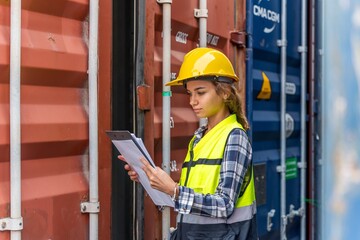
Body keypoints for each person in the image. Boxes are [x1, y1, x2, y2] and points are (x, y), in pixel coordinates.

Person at [119, 47, 258, 240]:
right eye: (189, 93)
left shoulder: (234, 137)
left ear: (225, 93)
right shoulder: (200, 138)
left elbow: (224, 204)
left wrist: (174, 190)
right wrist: (150, 178)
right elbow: (189, 199)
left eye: (200, 92)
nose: (192, 101)